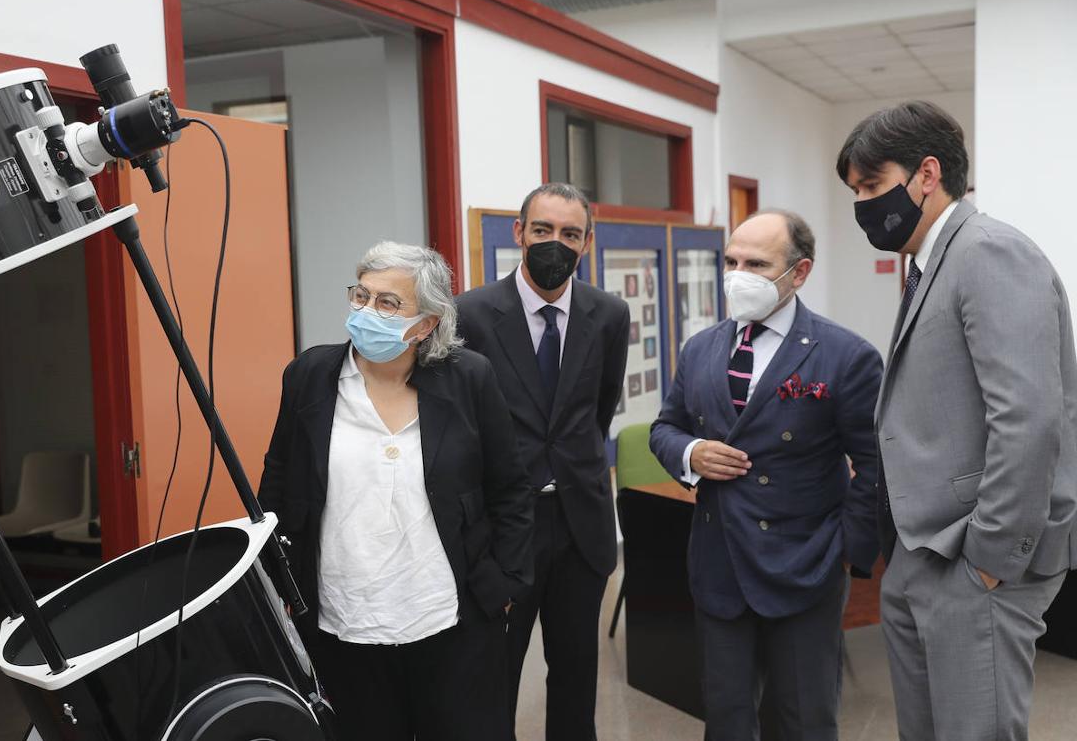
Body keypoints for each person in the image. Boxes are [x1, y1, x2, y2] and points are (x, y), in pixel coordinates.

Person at [837, 100, 1077, 740]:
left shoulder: (990, 253)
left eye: (871, 186)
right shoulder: (928, 264)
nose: (862, 205)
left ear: (927, 174)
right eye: (855, 191)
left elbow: (1028, 420)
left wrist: (989, 562)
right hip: (923, 551)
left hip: (975, 560)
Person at [258, 241, 533, 741]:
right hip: (344, 617)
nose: (367, 311)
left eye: (388, 303)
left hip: (449, 615)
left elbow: (511, 489)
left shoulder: (470, 379)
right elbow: (277, 481)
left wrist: (507, 584)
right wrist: (279, 581)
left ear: (426, 324)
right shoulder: (310, 376)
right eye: (361, 296)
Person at [650, 209, 881, 740]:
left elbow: (875, 464)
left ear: (799, 273)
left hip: (805, 565)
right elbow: (666, 428)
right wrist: (691, 454)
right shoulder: (702, 348)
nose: (738, 274)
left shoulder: (845, 355)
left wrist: (849, 549)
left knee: (805, 717)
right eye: (731, 261)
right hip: (719, 564)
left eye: (756, 263)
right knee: (727, 718)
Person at [456, 183, 629, 740]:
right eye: (543, 230)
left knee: (577, 678)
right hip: (505, 529)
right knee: (492, 679)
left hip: (581, 527)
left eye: (571, 234)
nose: (556, 243)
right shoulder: (472, 313)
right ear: (519, 233)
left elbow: (597, 410)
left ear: (588, 243)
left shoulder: (609, 314)